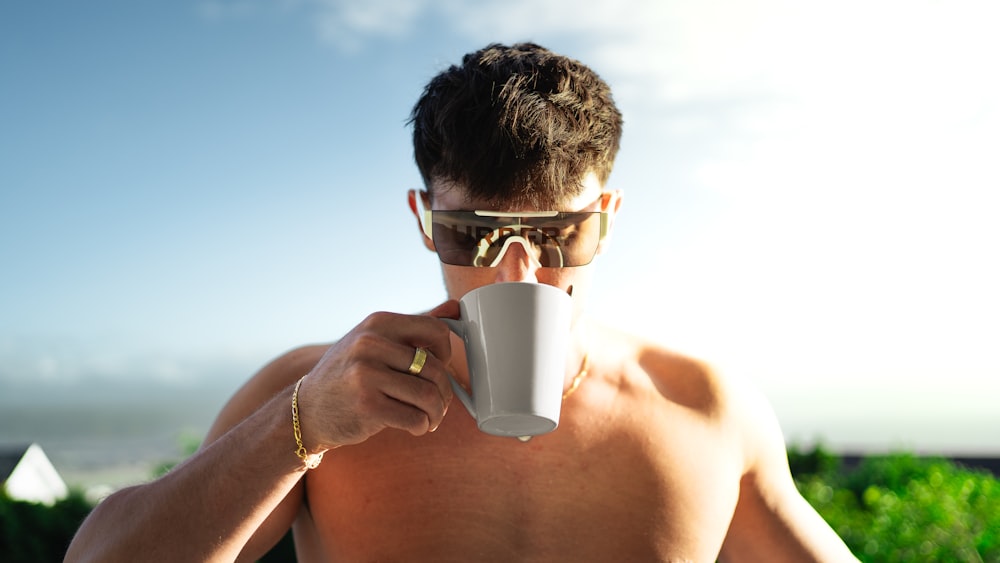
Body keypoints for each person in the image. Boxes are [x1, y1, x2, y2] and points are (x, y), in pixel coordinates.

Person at [67, 42, 857, 562]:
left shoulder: (701, 407)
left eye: (556, 235)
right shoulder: (314, 392)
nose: (517, 271)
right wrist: (300, 423)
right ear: (424, 220)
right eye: (474, 235)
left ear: (606, 223)